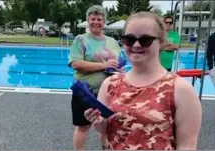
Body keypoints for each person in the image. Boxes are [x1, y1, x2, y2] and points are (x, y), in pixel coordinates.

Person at [84, 12, 202, 150]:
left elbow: (187, 146)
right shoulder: (110, 84)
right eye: (129, 39)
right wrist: (98, 121)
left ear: (162, 42)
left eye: (145, 39)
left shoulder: (180, 89)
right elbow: (104, 132)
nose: (136, 45)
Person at [68, 5, 121, 150]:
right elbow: (76, 63)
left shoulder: (113, 42)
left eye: (99, 19)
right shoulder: (81, 39)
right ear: (88, 20)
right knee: (83, 126)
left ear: (104, 22)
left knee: (106, 126)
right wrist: (104, 65)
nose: (96, 22)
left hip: (108, 92)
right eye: (93, 19)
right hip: (85, 92)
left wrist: (119, 71)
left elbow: (118, 64)